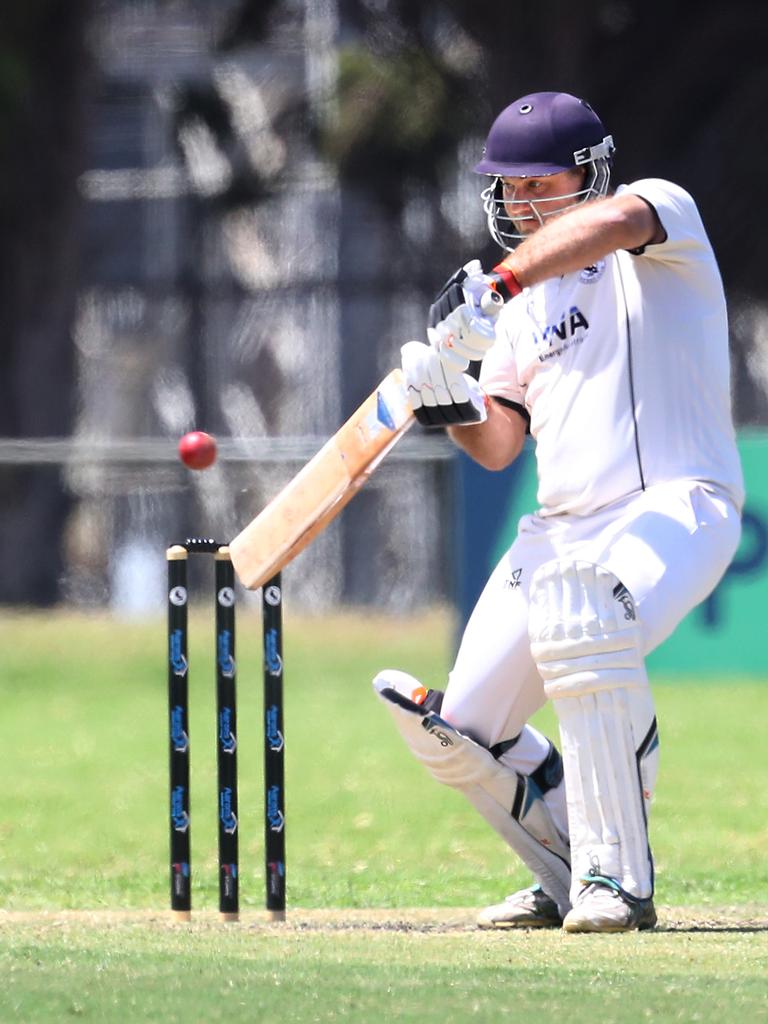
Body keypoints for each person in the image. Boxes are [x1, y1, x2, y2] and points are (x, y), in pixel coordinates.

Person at [373, 91, 744, 933]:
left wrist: (497, 279)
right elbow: (501, 443)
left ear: (588, 175)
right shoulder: (518, 313)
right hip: (559, 528)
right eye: (506, 187)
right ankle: (570, 865)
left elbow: (608, 226)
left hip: (677, 505)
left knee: (588, 621)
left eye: (538, 183)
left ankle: (618, 880)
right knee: (455, 731)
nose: (519, 203)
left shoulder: (657, 220)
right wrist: (449, 403)